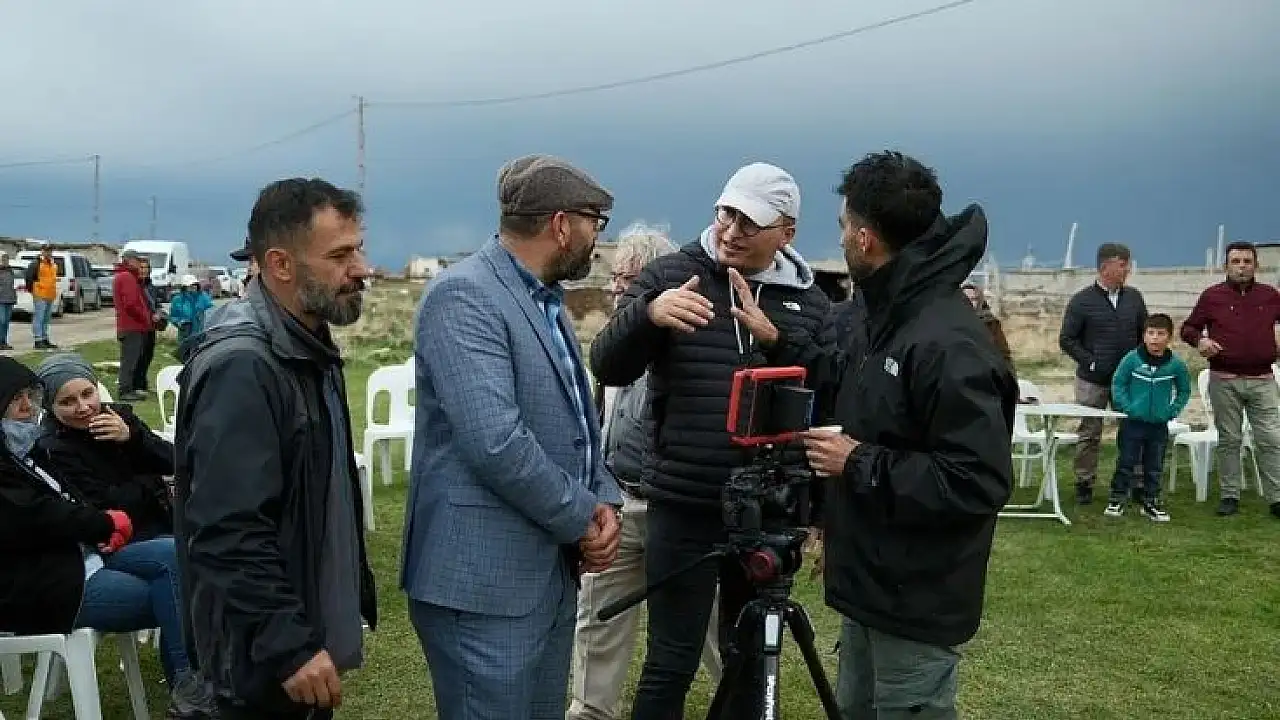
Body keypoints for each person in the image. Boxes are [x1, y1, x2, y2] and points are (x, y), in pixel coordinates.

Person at [745, 150, 1014, 719]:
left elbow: (977, 481)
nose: (841, 237)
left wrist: (857, 461)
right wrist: (779, 341)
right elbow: (852, 380)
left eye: (844, 225)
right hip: (868, 584)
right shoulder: (885, 313)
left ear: (865, 239)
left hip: (915, 599)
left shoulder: (947, 342)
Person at [590, 162, 830, 719]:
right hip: (685, 501)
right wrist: (648, 314)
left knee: (748, 661)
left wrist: (779, 340)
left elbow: (828, 394)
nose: (731, 231)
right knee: (671, 660)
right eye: (726, 213)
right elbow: (607, 364)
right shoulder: (673, 275)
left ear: (786, 233)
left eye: (750, 222)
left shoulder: (811, 301)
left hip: (767, 509)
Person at [402, 154, 622, 720]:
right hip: (482, 583)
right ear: (560, 225)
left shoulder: (543, 300)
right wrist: (582, 518)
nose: (597, 238)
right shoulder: (464, 297)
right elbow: (496, 441)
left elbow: (576, 421)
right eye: (594, 223)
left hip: (543, 573)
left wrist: (603, 498)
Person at [174, 177, 378, 719]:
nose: (362, 268)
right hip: (256, 668)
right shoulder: (244, 365)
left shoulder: (306, 345)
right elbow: (228, 528)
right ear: (280, 265)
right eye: (340, 255)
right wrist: (289, 646)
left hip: (291, 644)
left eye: (358, 249)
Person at [0, 355, 214, 719]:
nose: (26, 406)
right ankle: (193, 689)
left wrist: (132, 440)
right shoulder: (46, 447)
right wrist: (131, 502)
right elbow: (44, 515)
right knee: (182, 589)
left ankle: (193, 684)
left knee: (177, 560)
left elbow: (177, 463)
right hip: (50, 582)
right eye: (14, 399)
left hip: (90, 552)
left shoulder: (25, 449)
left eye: (27, 395)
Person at [569, 224, 722, 720]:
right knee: (598, 615)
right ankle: (590, 710)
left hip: (674, 508)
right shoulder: (616, 345)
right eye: (616, 277)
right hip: (618, 501)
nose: (619, 289)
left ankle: (740, 697)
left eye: (631, 279)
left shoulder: (689, 345)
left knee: (706, 621)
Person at [1179, 241, 1280, 518]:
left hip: (1263, 380)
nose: (1242, 267)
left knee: (1270, 439)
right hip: (1224, 380)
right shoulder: (1212, 296)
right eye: (1236, 261)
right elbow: (1188, 328)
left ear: (1256, 266)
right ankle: (1230, 496)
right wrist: (1200, 341)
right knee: (1229, 440)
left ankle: (1276, 498)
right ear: (1226, 266)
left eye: (1247, 261)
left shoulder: (1270, 296)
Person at [35, 353, 176, 541]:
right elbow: (104, 503)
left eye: (87, 394)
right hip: (121, 534)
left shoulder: (118, 416)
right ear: (50, 406)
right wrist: (154, 484)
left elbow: (173, 461)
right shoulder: (53, 446)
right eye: (67, 402)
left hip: (163, 517)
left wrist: (131, 438)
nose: (83, 407)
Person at [1058, 243, 1147, 504]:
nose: (1127, 270)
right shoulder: (1082, 301)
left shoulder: (1134, 298)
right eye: (1123, 265)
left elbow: (1145, 333)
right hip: (1092, 381)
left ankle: (1136, 482)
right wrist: (1091, 362)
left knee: (1132, 431)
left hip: (1127, 381)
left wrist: (1141, 363)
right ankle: (1084, 483)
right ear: (1105, 266)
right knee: (1089, 433)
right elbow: (1067, 339)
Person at [1104, 314, 1191, 521]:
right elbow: (1118, 383)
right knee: (1126, 462)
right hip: (1132, 423)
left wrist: (1171, 410)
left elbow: (1184, 390)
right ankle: (1117, 499)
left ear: (1169, 337)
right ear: (1144, 336)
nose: (1155, 338)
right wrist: (1127, 408)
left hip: (1158, 425)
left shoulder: (1175, 365)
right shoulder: (1131, 359)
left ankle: (1151, 501)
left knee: (1154, 465)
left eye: (1160, 334)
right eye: (1151, 333)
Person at [113, 250, 152, 402]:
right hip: (132, 326)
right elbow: (131, 303)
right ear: (129, 260)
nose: (138, 263)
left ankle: (131, 388)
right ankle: (125, 390)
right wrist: (144, 317)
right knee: (129, 360)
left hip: (130, 326)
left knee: (133, 359)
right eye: (136, 260)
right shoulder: (127, 277)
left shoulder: (125, 276)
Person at [961, 282, 1014, 370]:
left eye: (974, 299)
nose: (970, 303)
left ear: (980, 301)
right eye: (966, 299)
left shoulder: (990, 323)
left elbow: (1003, 353)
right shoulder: (951, 323)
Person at [24, 244, 59, 350]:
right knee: (39, 317)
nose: (49, 252)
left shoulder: (53, 264)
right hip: (39, 294)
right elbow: (29, 277)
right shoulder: (36, 263)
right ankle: (38, 340)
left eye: (50, 250)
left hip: (50, 294)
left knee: (46, 318)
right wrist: (32, 291)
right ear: (42, 251)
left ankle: (44, 338)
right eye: (46, 250)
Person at [169, 274, 214, 347]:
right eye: (190, 285)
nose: (193, 286)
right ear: (184, 287)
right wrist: (179, 323)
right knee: (185, 351)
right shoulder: (177, 299)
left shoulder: (203, 296)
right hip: (185, 333)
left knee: (200, 351)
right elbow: (173, 316)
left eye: (194, 284)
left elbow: (211, 311)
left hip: (200, 332)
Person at [0, 253, 16, 350]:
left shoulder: (10, 271)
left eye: (6, 259)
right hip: (1, 299)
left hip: (9, 299)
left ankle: (4, 341)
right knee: (1, 320)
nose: (5, 261)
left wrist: (14, 297)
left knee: (6, 321)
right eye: (3, 259)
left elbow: (11, 285)